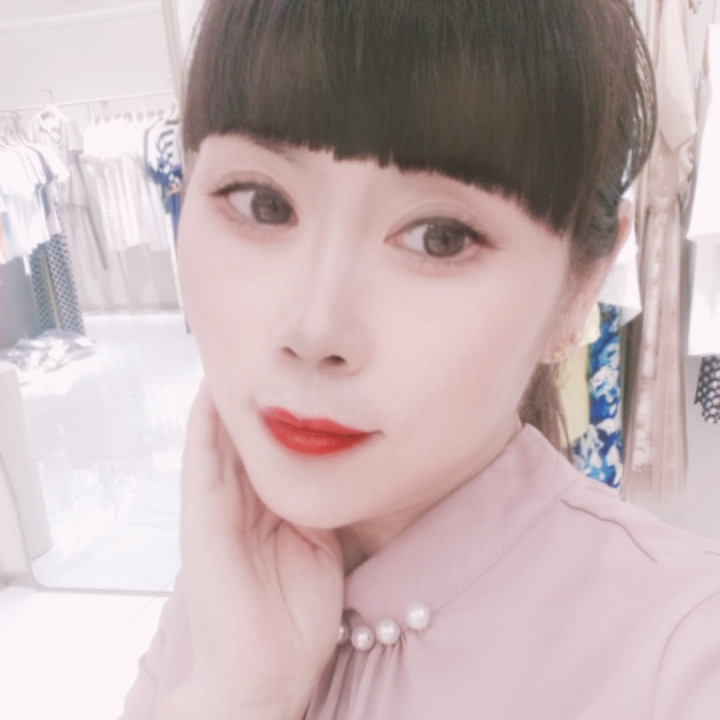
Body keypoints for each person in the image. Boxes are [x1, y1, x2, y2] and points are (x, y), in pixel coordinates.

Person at [120, 1, 720, 718]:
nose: (314, 330)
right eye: (262, 203)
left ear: (580, 287)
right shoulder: (224, 574)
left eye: (440, 237)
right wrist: (237, 695)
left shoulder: (681, 654)